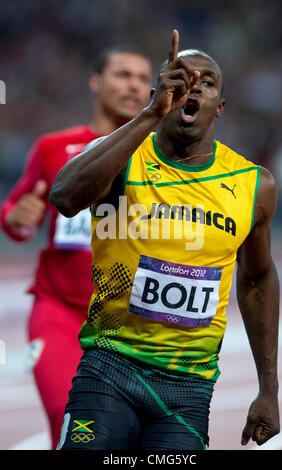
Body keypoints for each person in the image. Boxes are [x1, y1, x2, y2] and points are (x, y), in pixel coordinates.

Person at [51, 30, 280, 451]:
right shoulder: (121, 155)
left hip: (188, 386)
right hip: (110, 367)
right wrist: (149, 116)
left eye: (206, 82)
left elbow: (258, 278)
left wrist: (269, 389)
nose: (192, 87)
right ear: (160, 92)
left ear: (220, 106)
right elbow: (64, 197)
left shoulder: (253, 185)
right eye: (181, 78)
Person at [0, 45, 152, 450]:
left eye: (142, 78)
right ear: (96, 81)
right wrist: (16, 219)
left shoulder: (161, 158)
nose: (134, 85)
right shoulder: (54, 148)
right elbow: (16, 209)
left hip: (129, 323)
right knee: (69, 419)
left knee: (129, 435)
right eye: (123, 74)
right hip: (59, 313)